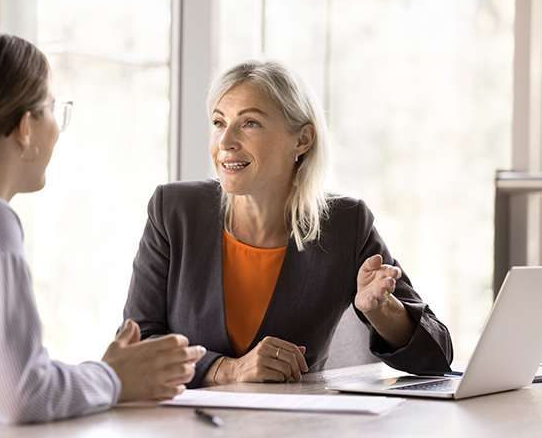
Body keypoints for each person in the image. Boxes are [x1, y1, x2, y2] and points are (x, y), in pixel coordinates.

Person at [0, 30, 205, 433]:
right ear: (25, 127)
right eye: (52, 108)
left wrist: (107, 375)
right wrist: (113, 379)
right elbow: (23, 395)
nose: (57, 129)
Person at [123, 58, 453, 388]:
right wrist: (229, 369)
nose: (225, 142)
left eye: (249, 123)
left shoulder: (344, 224)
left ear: (302, 140)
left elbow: (436, 356)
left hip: (294, 425)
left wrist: (382, 309)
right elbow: (135, 345)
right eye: (219, 122)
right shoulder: (174, 210)